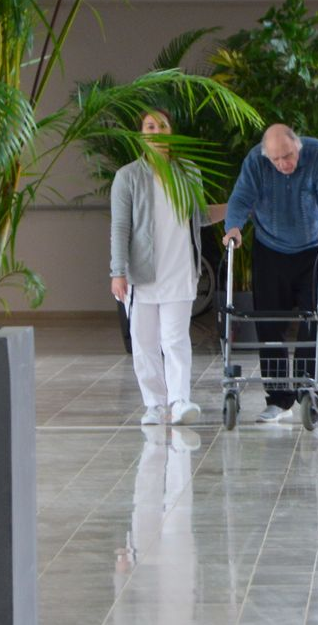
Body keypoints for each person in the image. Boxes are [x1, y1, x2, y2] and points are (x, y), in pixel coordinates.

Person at [222, 123, 318, 423]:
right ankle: (278, 399)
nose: (283, 164)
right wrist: (233, 227)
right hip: (270, 250)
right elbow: (241, 198)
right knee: (268, 324)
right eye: (276, 159)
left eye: (288, 156)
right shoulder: (256, 161)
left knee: (312, 320)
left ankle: (308, 392)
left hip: (313, 249)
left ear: (297, 146)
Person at [110, 110, 214, 426]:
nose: (156, 131)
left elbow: (200, 217)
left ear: (171, 132)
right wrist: (117, 271)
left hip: (180, 270)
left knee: (175, 339)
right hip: (141, 274)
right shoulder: (128, 176)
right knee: (144, 343)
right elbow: (120, 227)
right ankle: (154, 404)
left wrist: (238, 208)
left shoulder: (189, 172)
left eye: (162, 126)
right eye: (150, 126)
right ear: (141, 133)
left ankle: (179, 401)